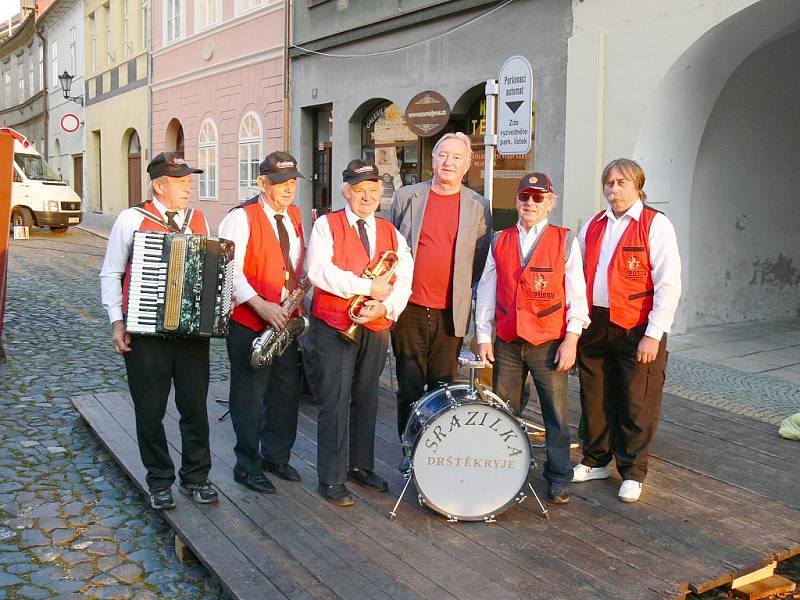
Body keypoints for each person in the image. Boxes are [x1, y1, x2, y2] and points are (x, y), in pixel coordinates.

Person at [99, 152, 218, 510]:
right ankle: (160, 479)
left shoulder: (199, 219)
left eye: (188, 181)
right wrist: (116, 321)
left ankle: (197, 476)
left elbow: (209, 269)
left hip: (191, 334)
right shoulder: (131, 219)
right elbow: (111, 273)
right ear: (158, 185)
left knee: (194, 406)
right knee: (150, 409)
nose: (188, 188)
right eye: (180, 182)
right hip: (146, 332)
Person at [475, 172, 589, 504]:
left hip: (549, 341)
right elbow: (486, 290)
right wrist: (484, 336)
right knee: (504, 410)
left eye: (538, 198)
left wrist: (572, 339)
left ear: (550, 202)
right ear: (517, 200)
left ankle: (557, 476)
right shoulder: (499, 239)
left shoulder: (565, 240)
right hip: (508, 341)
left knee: (555, 414)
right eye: (525, 196)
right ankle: (505, 469)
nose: (530, 203)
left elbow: (577, 297)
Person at [306, 159, 413, 506]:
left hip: (375, 324)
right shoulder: (327, 225)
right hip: (335, 324)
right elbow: (319, 272)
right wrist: (366, 286)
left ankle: (360, 466)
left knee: (367, 397)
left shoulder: (390, 231)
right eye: (359, 190)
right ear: (346, 192)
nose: (367, 196)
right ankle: (332, 477)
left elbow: (406, 276)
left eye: (372, 190)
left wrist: (387, 305)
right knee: (334, 401)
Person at [573, 158, 681, 503]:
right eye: (609, 183)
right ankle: (596, 460)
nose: (614, 189)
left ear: (638, 186)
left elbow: (669, 283)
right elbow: (577, 277)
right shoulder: (593, 224)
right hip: (597, 322)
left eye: (622, 183)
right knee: (595, 396)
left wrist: (654, 333)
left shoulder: (655, 224)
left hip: (636, 323)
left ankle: (633, 471)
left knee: (637, 401)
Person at [390, 132, 492, 440]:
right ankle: (409, 449)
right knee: (408, 385)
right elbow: (391, 248)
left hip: (451, 312)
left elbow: (480, 259)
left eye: (456, 157)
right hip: (410, 308)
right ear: (433, 160)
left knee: (442, 387)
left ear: (467, 165)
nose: (449, 162)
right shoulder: (407, 197)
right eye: (443, 155)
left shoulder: (479, 205)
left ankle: (434, 450)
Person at [218, 151, 306, 494]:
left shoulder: (294, 215)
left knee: (285, 392)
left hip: (285, 318)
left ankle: (276, 457)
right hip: (250, 320)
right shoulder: (240, 217)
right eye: (280, 182)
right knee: (249, 396)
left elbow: (294, 262)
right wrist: (261, 305)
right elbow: (229, 270)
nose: (288, 189)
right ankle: (247, 465)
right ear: (262, 182)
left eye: (292, 182)